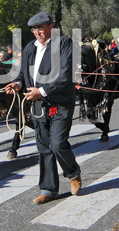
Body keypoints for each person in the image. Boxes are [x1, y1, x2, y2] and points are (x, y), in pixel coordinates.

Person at [5, 11, 81, 204]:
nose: (37, 32)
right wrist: (17, 84)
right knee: (44, 147)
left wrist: (42, 91)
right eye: (34, 29)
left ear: (50, 27)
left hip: (60, 103)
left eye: (40, 28)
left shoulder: (64, 44)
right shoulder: (30, 48)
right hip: (38, 105)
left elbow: (65, 76)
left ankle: (73, 173)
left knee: (57, 144)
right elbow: (23, 74)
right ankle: (49, 190)